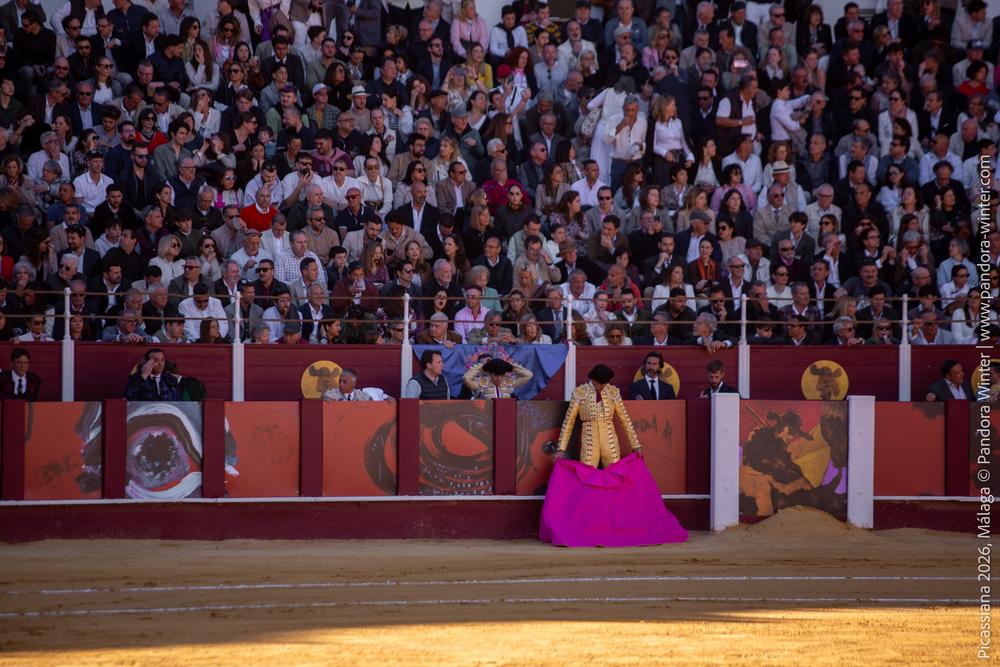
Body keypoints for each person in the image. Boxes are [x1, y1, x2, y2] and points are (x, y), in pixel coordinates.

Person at [540, 363, 688, 548]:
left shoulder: (612, 392)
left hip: (610, 440)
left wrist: (636, 444)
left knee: (617, 482)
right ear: (592, 378)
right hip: (589, 440)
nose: (602, 387)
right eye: (600, 383)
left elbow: (624, 420)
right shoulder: (580, 392)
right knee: (587, 482)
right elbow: (568, 422)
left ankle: (620, 524)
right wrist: (560, 448)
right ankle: (588, 526)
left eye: (605, 383)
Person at [462, 357, 534, 399]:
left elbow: (528, 375)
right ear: (490, 374)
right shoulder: (481, 384)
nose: (499, 378)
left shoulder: (508, 383)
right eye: (496, 375)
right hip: (484, 417)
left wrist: (510, 366)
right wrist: (483, 365)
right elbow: (466, 378)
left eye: (501, 375)